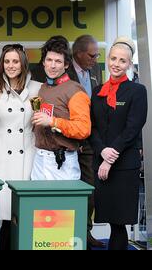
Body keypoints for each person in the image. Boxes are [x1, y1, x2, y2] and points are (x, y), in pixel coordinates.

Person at [89, 37, 147, 250]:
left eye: (122, 61)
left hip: (123, 166)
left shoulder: (137, 91)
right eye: (113, 58)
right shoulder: (97, 93)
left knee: (119, 224)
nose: (116, 63)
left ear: (129, 64)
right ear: (108, 59)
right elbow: (92, 128)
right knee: (110, 219)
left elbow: (132, 128)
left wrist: (110, 157)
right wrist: (102, 151)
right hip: (102, 164)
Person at [0, 43, 41, 250]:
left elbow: (41, 122)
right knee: (5, 214)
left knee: (24, 210)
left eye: (15, 61)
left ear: (23, 63)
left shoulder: (37, 88)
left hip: (28, 153)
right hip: (2, 157)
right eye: (6, 61)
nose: (11, 65)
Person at [31, 37, 91, 181]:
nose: (52, 65)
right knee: (35, 204)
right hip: (39, 159)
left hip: (63, 162)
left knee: (63, 204)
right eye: (49, 60)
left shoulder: (75, 90)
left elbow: (84, 129)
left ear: (66, 65)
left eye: (58, 61)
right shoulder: (43, 88)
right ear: (43, 62)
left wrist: (53, 121)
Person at [67, 35, 105, 248]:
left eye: (97, 55)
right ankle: (66, 232)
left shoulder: (95, 71)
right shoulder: (64, 71)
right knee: (68, 190)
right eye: (92, 55)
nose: (95, 59)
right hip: (68, 140)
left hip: (90, 140)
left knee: (89, 189)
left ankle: (85, 232)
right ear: (78, 53)